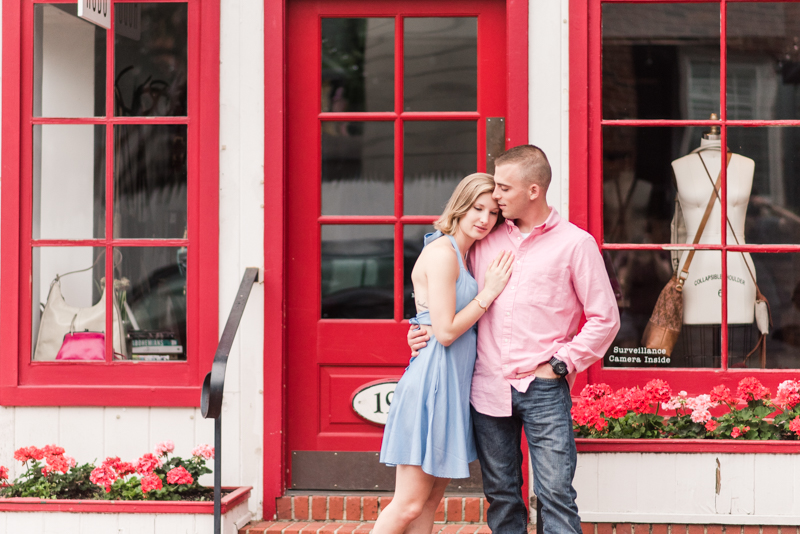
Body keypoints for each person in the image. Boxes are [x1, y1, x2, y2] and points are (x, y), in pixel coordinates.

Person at [408, 145, 620, 533]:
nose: (496, 196)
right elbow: (443, 289)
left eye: (504, 188)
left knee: (556, 496)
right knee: (502, 497)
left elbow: (605, 319)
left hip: (542, 388)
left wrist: (561, 364)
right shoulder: (483, 238)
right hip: (486, 385)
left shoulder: (575, 244)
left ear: (533, 190)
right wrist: (420, 327)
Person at [375, 173, 515, 534]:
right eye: (477, 208)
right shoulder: (443, 254)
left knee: (427, 505)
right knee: (406, 505)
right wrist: (490, 292)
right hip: (432, 386)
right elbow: (447, 331)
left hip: (450, 386)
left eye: (493, 212)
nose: (484, 219)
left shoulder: (463, 254)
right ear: (460, 205)